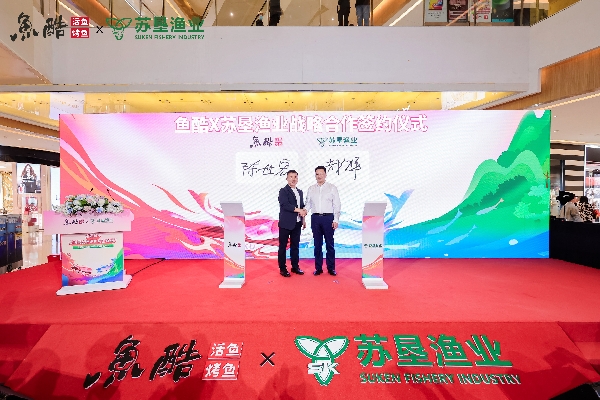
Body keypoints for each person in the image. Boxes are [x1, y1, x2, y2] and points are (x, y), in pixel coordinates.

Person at [305, 166, 341, 276]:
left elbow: (336, 205)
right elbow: (308, 204)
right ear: (315, 175)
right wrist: (304, 211)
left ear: (325, 175)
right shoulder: (311, 188)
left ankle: (331, 268)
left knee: (330, 244)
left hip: (328, 218)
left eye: (321, 174)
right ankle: (318, 268)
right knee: (317, 244)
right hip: (315, 218)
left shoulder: (332, 188)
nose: (319, 176)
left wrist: (336, 220)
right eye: (317, 174)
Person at [277, 170, 306, 277]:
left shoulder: (300, 192)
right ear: (287, 178)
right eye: (291, 177)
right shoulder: (283, 191)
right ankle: (282, 268)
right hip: (285, 223)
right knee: (283, 247)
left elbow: (302, 206)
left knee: (295, 246)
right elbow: (285, 205)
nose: (293, 179)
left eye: (295, 177)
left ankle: (295, 267)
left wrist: (303, 220)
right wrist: (299, 210)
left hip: (297, 223)